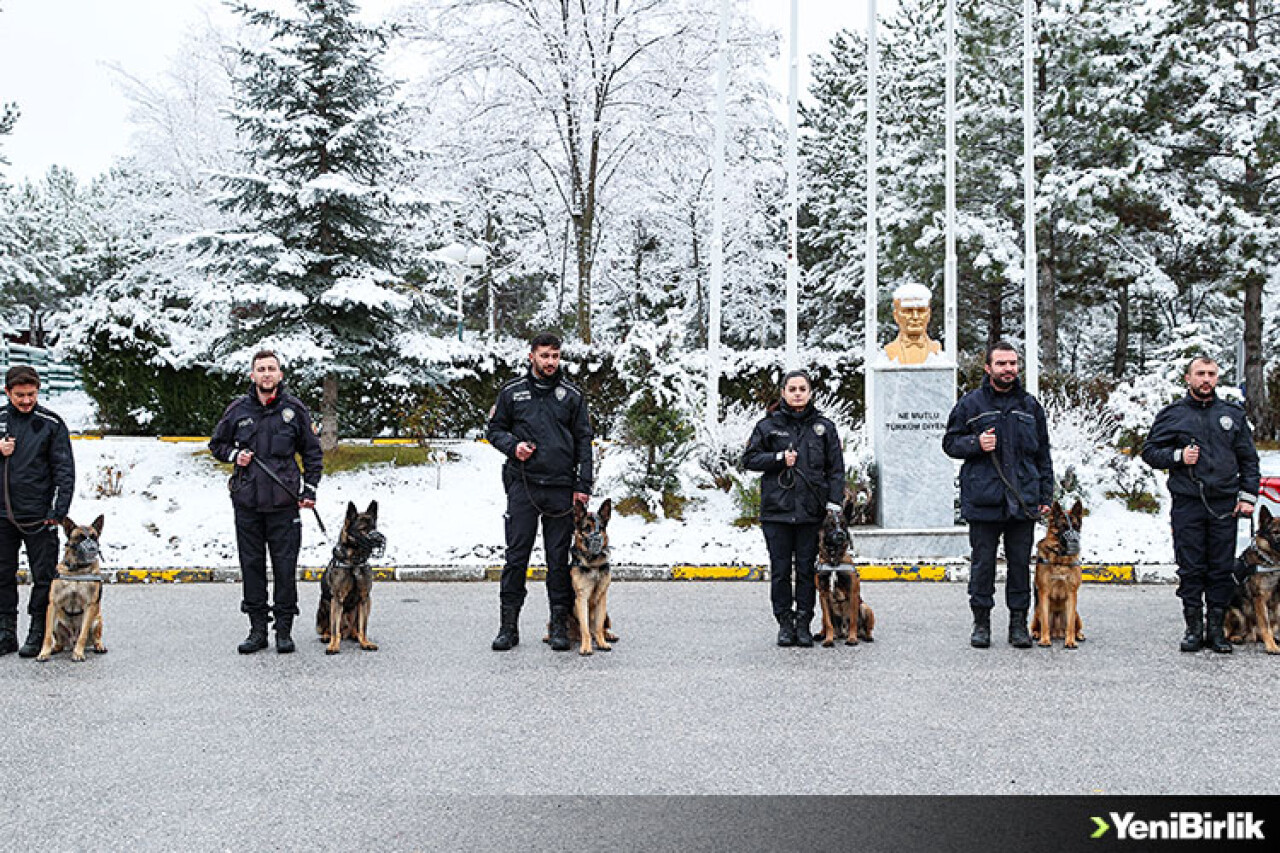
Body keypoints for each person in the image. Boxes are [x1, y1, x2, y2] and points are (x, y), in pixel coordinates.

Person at [1141, 355, 1258, 653]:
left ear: (1217, 378)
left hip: (1224, 505)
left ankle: (1216, 629)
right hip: (1188, 503)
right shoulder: (1173, 414)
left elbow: (1248, 459)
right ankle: (1193, 628)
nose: (1206, 379)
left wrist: (1247, 497)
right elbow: (1150, 452)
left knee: (1220, 568)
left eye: (1211, 374)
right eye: (1200, 374)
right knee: (1191, 568)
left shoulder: (1232, 414)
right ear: (1188, 378)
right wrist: (1178, 457)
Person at [486, 332, 594, 652]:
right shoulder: (512, 392)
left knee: (558, 560)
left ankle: (559, 624)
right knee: (516, 557)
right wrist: (513, 446)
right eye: (545, 355)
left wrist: (583, 486)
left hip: (561, 488)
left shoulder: (572, 395)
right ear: (531, 355)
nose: (550, 362)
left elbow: (584, 442)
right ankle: (508, 626)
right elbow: (494, 430)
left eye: (555, 356)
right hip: (523, 485)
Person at [209, 350, 322, 655]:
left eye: (272, 369)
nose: (267, 374)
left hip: (285, 503)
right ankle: (257, 630)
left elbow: (312, 453)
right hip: (247, 503)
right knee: (252, 566)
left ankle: (283, 630)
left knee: (285, 568)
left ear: (280, 375)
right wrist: (235, 455)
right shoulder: (238, 410)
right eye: (261, 369)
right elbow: (216, 444)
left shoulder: (295, 410)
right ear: (252, 376)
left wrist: (309, 490)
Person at [942, 341, 1053, 649]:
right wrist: (976, 444)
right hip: (984, 500)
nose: (1008, 369)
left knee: (1020, 565)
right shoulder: (970, 404)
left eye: (1013, 363)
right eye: (1002, 364)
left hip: (1022, 499)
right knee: (983, 565)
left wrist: (1045, 494)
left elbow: (1043, 454)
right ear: (988, 368)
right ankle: (981, 623)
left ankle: (1018, 624)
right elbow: (950, 443)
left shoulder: (1030, 406)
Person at [742, 370, 845, 647]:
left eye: (802, 388)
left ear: (810, 392)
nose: (798, 393)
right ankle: (784, 624)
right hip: (777, 511)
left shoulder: (824, 427)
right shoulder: (768, 426)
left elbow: (836, 469)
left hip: (811, 512)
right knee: (779, 571)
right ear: (783, 393)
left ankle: (803, 623)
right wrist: (778, 458)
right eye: (792, 389)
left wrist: (834, 504)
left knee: (804, 569)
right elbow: (749, 459)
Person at [0, 365, 75, 658]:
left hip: (39, 516)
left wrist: (58, 512)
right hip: (3, 514)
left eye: (31, 394)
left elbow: (64, 471)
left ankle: (37, 631)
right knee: (2, 574)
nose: (26, 400)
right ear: (8, 392)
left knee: (42, 576)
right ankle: (6, 631)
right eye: (20, 395)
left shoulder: (51, 423)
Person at [882, 282, 942, 365]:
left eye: (921, 311)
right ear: (896, 316)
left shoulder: (936, 350)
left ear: (929, 315)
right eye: (908, 311)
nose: (915, 317)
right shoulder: (890, 350)